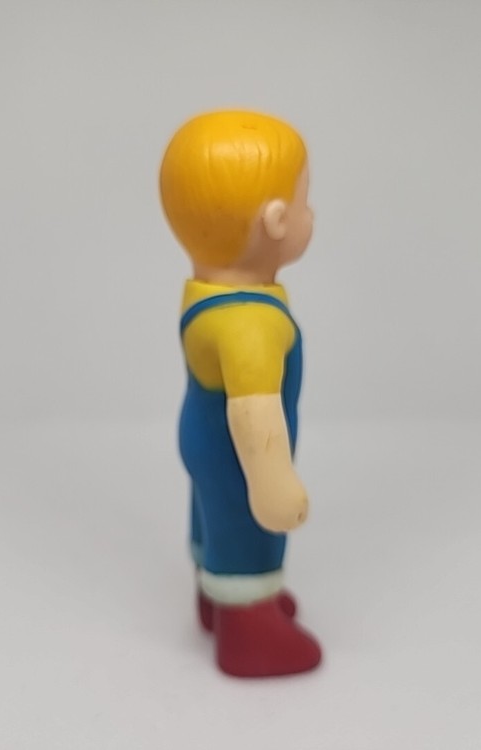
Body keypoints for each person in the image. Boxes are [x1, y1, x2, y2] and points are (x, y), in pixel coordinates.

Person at [159, 110, 322, 677]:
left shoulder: (207, 291)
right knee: (247, 531)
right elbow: (256, 416)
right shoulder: (251, 321)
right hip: (236, 452)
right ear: (275, 220)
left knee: (213, 520)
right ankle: (249, 629)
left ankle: (215, 599)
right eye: (304, 202)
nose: (311, 215)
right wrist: (274, 485)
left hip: (202, 434)